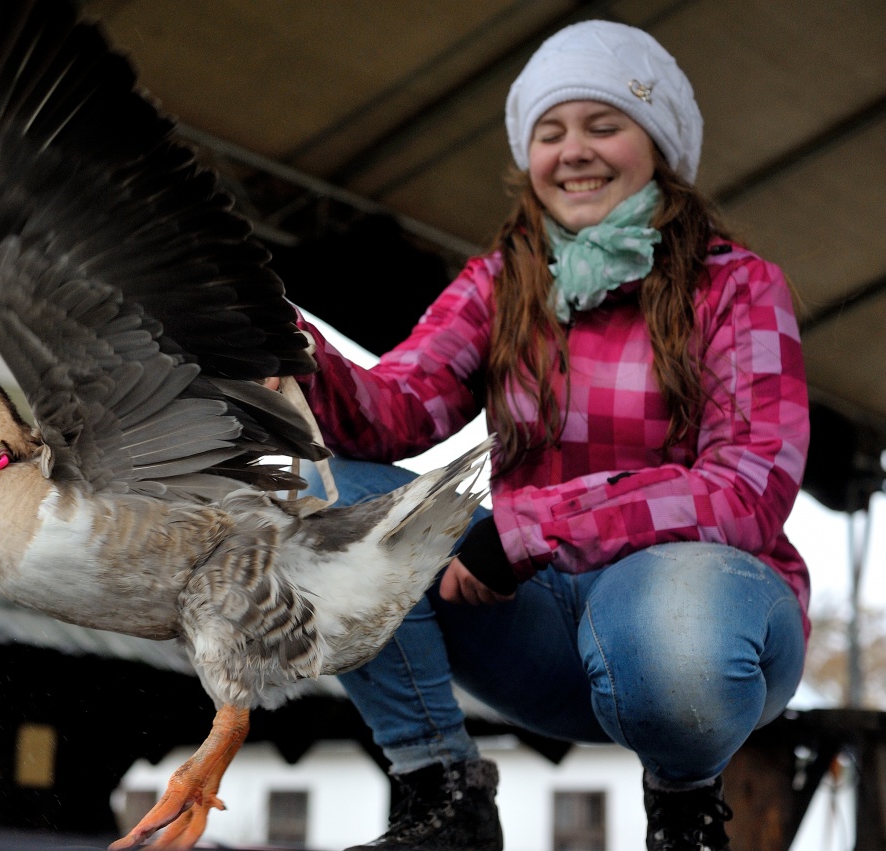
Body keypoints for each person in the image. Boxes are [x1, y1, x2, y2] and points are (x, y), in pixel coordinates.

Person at [287, 19, 809, 851]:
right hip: (537, 628)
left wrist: (533, 532)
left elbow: (748, 487)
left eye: (604, 125)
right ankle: (445, 794)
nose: (574, 151)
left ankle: (685, 806)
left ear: (660, 144)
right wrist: (291, 348)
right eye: (550, 131)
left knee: (672, 635)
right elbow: (395, 411)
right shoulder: (502, 281)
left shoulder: (736, 286)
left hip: (695, 627)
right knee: (329, 503)